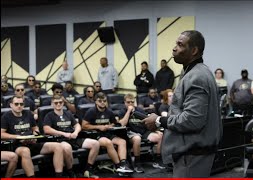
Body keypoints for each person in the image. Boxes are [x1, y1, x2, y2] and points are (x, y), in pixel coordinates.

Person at [142, 30, 222, 177]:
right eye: (175, 44)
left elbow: (192, 120)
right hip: (192, 152)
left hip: (192, 154)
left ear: (194, 50)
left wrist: (159, 120)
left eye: (180, 45)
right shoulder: (194, 72)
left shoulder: (197, 76)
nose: (174, 48)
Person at [1, 95, 65, 177]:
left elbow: (35, 128)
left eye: (21, 104)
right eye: (16, 104)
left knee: (58, 146)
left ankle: (59, 176)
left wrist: (35, 134)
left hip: (32, 142)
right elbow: (2, 134)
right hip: (17, 145)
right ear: (11, 105)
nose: (19, 106)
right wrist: (17, 137)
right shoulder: (6, 117)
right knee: (25, 151)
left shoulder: (28, 113)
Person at [43, 95, 100, 178]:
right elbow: (46, 129)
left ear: (63, 103)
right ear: (52, 104)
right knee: (67, 148)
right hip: (60, 140)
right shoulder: (49, 115)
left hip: (73, 137)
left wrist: (76, 132)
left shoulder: (68, 113)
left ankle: (88, 169)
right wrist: (63, 133)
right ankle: (70, 171)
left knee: (95, 144)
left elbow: (77, 125)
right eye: (56, 103)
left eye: (60, 102)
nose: (58, 104)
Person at [81, 92, 133, 174]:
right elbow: (84, 126)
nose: (102, 103)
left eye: (104, 101)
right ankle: (118, 165)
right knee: (108, 143)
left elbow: (114, 123)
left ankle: (123, 164)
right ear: (96, 102)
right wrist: (99, 127)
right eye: (100, 101)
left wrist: (110, 125)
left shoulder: (109, 111)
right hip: (95, 135)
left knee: (122, 141)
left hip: (107, 133)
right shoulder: (91, 111)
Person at [118, 93, 165, 173]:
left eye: (132, 102)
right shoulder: (122, 111)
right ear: (125, 103)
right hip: (131, 133)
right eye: (128, 102)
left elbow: (146, 122)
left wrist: (155, 130)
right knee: (137, 139)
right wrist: (129, 111)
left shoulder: (139, 110)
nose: (130, 104)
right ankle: (137, 163)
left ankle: (157, 159)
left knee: (160, 136)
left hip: (143, 132)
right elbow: (122, 124)